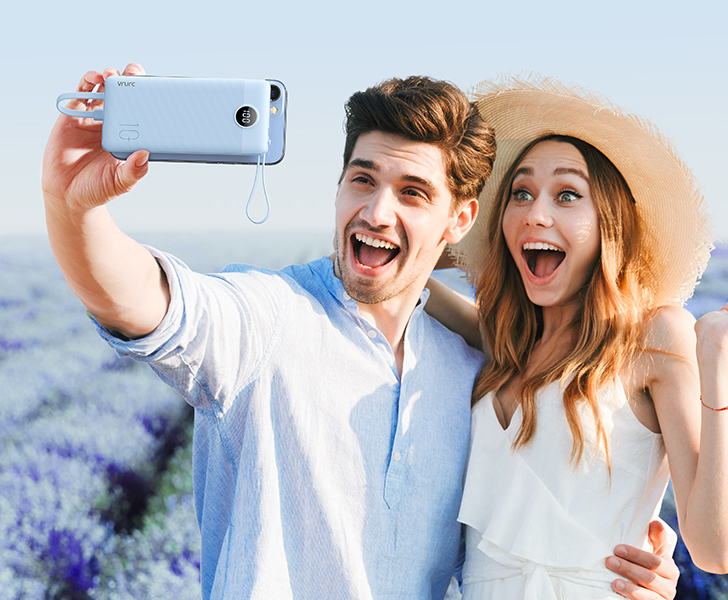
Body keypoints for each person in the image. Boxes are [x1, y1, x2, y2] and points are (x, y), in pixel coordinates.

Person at [42, 63, 678, 599]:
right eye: (363, 180)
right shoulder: (271, 320)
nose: (377, 212)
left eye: (412, 192)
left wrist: (630, 563)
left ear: (460, 218)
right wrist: (73, 211)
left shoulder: (470, 375)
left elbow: (519, 529)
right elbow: (147, 303)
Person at [423, 76, 728, 599]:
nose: (535, 213)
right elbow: (402, 280)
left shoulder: (655, 336)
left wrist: (716, 360)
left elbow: (718, 551)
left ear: (610, 222)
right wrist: (439, 227)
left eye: (567, 195)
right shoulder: (504, 338)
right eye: (520, 193)